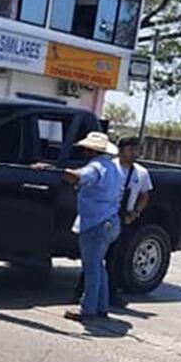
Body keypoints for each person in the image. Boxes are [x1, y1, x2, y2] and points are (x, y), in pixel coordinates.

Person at [35, 132, 124, 322]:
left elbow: (77, 177)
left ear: (91, 150)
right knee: (99, 266)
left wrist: (53, 170)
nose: (83, 151)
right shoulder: (114, 168)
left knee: (91, 267)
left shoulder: (96, 167)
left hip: (95, 222)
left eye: (85, 149)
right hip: (110, 220)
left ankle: (88, 308)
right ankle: (101, 306)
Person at [76, 136, 154, 306]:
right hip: (106, 214)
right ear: (120, 150)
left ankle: (106, 296)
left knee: (114, 259)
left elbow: (144, 195)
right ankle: (84, 293)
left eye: (137, 150)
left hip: (122, 217)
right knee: (95, 260)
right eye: (131, 149)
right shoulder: (110, 167)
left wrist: (135, 213)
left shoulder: (141, 173)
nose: (134, 153)